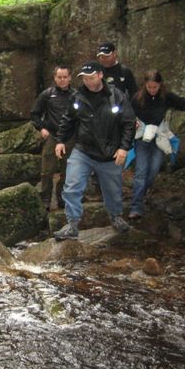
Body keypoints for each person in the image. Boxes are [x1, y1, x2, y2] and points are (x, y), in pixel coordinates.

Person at [53, 61, 136, 241]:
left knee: (113, 191)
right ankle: (72, 224)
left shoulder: (116, 96)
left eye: (91, 78)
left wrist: (123, 148)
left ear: (100, 75)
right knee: (72, 185)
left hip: (109, 153)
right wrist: (60, 140)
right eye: (85, 79)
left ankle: (115, 217)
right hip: (83, 150)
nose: (88, 82)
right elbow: (68, 119)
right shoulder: (78, 97)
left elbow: (129, 123)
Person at [128, 69, 185, 220]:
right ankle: (136, 206)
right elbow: (127, 113)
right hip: (141, 139)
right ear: (145, 85)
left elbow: (182, 103)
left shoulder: (166, 97)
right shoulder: (137, 98)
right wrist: (133, 123)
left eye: (155, 87)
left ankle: (142, 192)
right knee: (140, 172)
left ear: (160, 85)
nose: (152, 90)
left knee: (152, 171)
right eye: (149, 87)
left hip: (159, 138)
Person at [30, 66, 76, 210]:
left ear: (70, 78)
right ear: (55, 78)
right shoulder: (47, 94)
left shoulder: (76, 94)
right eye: (59, 77)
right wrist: (42, 128)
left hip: (69, 137)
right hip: (52, 135)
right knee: (47, 171)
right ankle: (45, 199)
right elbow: (34, 113)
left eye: (64, 77)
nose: (62, 80)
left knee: (67, 170)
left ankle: (62, 197)